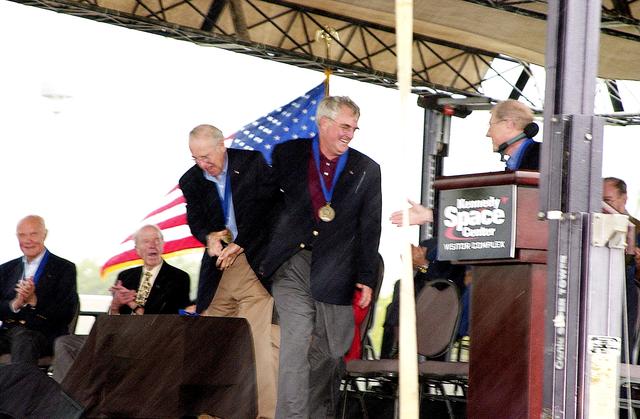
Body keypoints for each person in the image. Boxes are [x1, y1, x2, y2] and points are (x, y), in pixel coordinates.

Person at [259, 95, 382, 418]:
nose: (349, 134)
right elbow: (266, 203)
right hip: (293, 264)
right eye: (344, 126)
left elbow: (370, 228)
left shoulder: (367, 169)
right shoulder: (289, 154)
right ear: (323, 123)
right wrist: (267, 249)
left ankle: (315, 411)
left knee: (330, 352)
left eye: (354, 129)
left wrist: (366, 277)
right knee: (295, 345)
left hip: (337, 269)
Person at [179, 124, 277, 419]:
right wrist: (207, 236)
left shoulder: (252, 163)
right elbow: (196, 221)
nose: (202, 164)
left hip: (253, 262)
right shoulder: (191, 180)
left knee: (258, 342)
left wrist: (242, 242)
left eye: (206, 156)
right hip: (219, 268)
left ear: (223, 146)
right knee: (210, 339)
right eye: (195, 158)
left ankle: (265, 415)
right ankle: (209, 413)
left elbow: (271, 212)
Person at [52, 224, 191, 382]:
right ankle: (72, 398)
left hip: (149, 340)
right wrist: (116, 305)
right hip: (116, 335)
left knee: (112, 354)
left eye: (157, 240)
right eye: (146, 241)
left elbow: (166, 321)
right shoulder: (127, 275)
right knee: (65, 343)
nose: (153, 245)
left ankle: (84, 395)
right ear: (137, 249)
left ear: (163, 245)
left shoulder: (178, 278)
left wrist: (134, 305)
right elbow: (113, 317)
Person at [0, 215, 78, 365]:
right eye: (22, 235)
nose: (28, 240)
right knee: (19, 336)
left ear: (45, 234)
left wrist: (34, 300)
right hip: (8, 331)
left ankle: (22, 388)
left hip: (43, 333)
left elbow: (66, 312)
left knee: (24, 340)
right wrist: (15, 304)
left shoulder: (64, 268)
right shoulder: (6, 269)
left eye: (33, 234)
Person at [602, 176, 640, 362]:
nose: (603, 207)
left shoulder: (638, 229)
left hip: (627, 296)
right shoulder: (594, 225)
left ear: (624, 199)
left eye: (607, 201)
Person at [485, 99, 540, 171]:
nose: (488, 133)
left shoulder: (545, 157)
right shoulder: (513, 164)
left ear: (509, 124)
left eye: (491, 125)